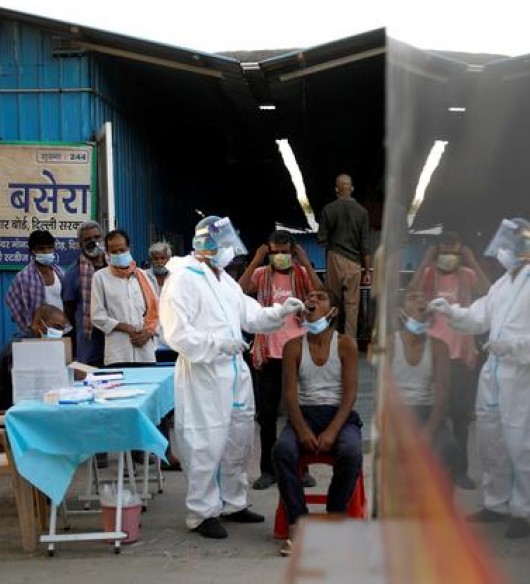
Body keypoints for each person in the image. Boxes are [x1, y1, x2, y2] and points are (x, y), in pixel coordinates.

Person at [159, 215, 304, 540]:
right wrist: (217, 344)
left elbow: (249, 314)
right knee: (206, 441)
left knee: (238, 438)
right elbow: (176, 333)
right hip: (204, 372)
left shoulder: (223, 279)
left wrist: (279, 312)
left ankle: (233, 503)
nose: (231, 252)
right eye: (226, 245)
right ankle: (202, 511)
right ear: (209, 246)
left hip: (234, 369)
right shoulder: (183, 278)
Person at [429, 217, 530, 538]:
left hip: (525, 373)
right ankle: (497, 502)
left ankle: (528, 513)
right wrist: (451, 311)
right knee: (492, 438)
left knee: (524, 441)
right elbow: (480, 315)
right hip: (495, 369)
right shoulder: (505, 282)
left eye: (505, 246)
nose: (500, 252)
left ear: (523, 247)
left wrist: (513, 345)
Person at [272, 289, 362, 556]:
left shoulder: (346, 344)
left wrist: (333, 430)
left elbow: (350, 394)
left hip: (339, 416)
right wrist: (301, 429)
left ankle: (336, 515)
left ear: (332, 311)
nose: (312, 301)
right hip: (304, 414)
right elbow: (289, 394)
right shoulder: (293, 346)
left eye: (321, 297)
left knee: (351, 451)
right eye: (309, 297)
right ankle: (298, 523)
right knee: (283, 451)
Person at [238, 230, 323, 491]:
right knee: (267, 416)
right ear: (269, 251)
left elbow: (320, 293)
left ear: (292, 250)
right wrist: (255, 260)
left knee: (300, 414)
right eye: (275, 252)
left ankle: (302, 467)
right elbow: (239, 291)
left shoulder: (301, 274)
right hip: (268, 353)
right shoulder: (261, 274)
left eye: (285, 252)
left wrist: (306, 262)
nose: (280, 257)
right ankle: (267, 470)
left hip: (298, 352)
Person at [408, 231, 490, 490]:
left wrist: (472, 260)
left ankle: (459, 470)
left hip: (461, 355)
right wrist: (424, 262)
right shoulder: (429, 274)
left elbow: (489, 292)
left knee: (461, 417)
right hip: (432, 355)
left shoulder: (467, 275)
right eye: (444, 252)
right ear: (437, 252)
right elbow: (411, 293)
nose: (448, 258)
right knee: (429, 413)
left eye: (454, 253)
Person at [389, 289, 456, 479]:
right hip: (398, 414)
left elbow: (443, 392)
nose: (419, 302)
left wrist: (429, 431)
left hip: (428, 413)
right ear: (401, 311)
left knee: (448, 447)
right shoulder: (390, 344)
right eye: (412, 298)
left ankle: (440, 503)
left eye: (423, 298)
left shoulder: (439, 346)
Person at [91, 229, 159, 367]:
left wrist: (147, 334)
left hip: (145, 352)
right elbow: (97, 316)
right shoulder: (100, 277)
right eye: (113, 252)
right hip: (118, 353)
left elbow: (156, 312)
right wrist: (126, 328)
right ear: (107, 253)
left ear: (129, 248)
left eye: (122, 250)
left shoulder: (144, 276)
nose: (118, 254)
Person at [316, 173, 372, 339]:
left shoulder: (329, 209)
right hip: (354, 263)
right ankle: (350, 344)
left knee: (332, 302)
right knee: (352, 306)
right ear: (352, 189)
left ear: (336, 190)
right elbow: (365, 246)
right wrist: (367, 271)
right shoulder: (362, 212)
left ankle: (330, 340)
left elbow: (321, 240)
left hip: (334, 258)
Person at [0, 304, 71, 410]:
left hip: (32, 404)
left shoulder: (41, 343)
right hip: (11, 409)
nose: (60, 332)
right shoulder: (20, 347)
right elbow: (24, 385)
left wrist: (71, 372)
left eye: (62, 329)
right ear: (38, 324)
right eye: (56, 327)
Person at [63, 221, 108, 367]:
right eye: (87, 239)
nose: (93, 242)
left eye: (97, 237)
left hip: (115, 341)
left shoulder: (115, 266)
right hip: (89, 343)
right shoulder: (73, 273)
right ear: (80, 244)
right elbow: (68, 309)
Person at [4, 229, 64, 336]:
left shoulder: (61, 273)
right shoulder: (23, 277)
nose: (46, 252)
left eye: (50, 248)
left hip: (61, 331)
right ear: (32, 251)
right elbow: (16, 307)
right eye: (41, 249)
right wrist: (31, 328)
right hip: (35, 334)